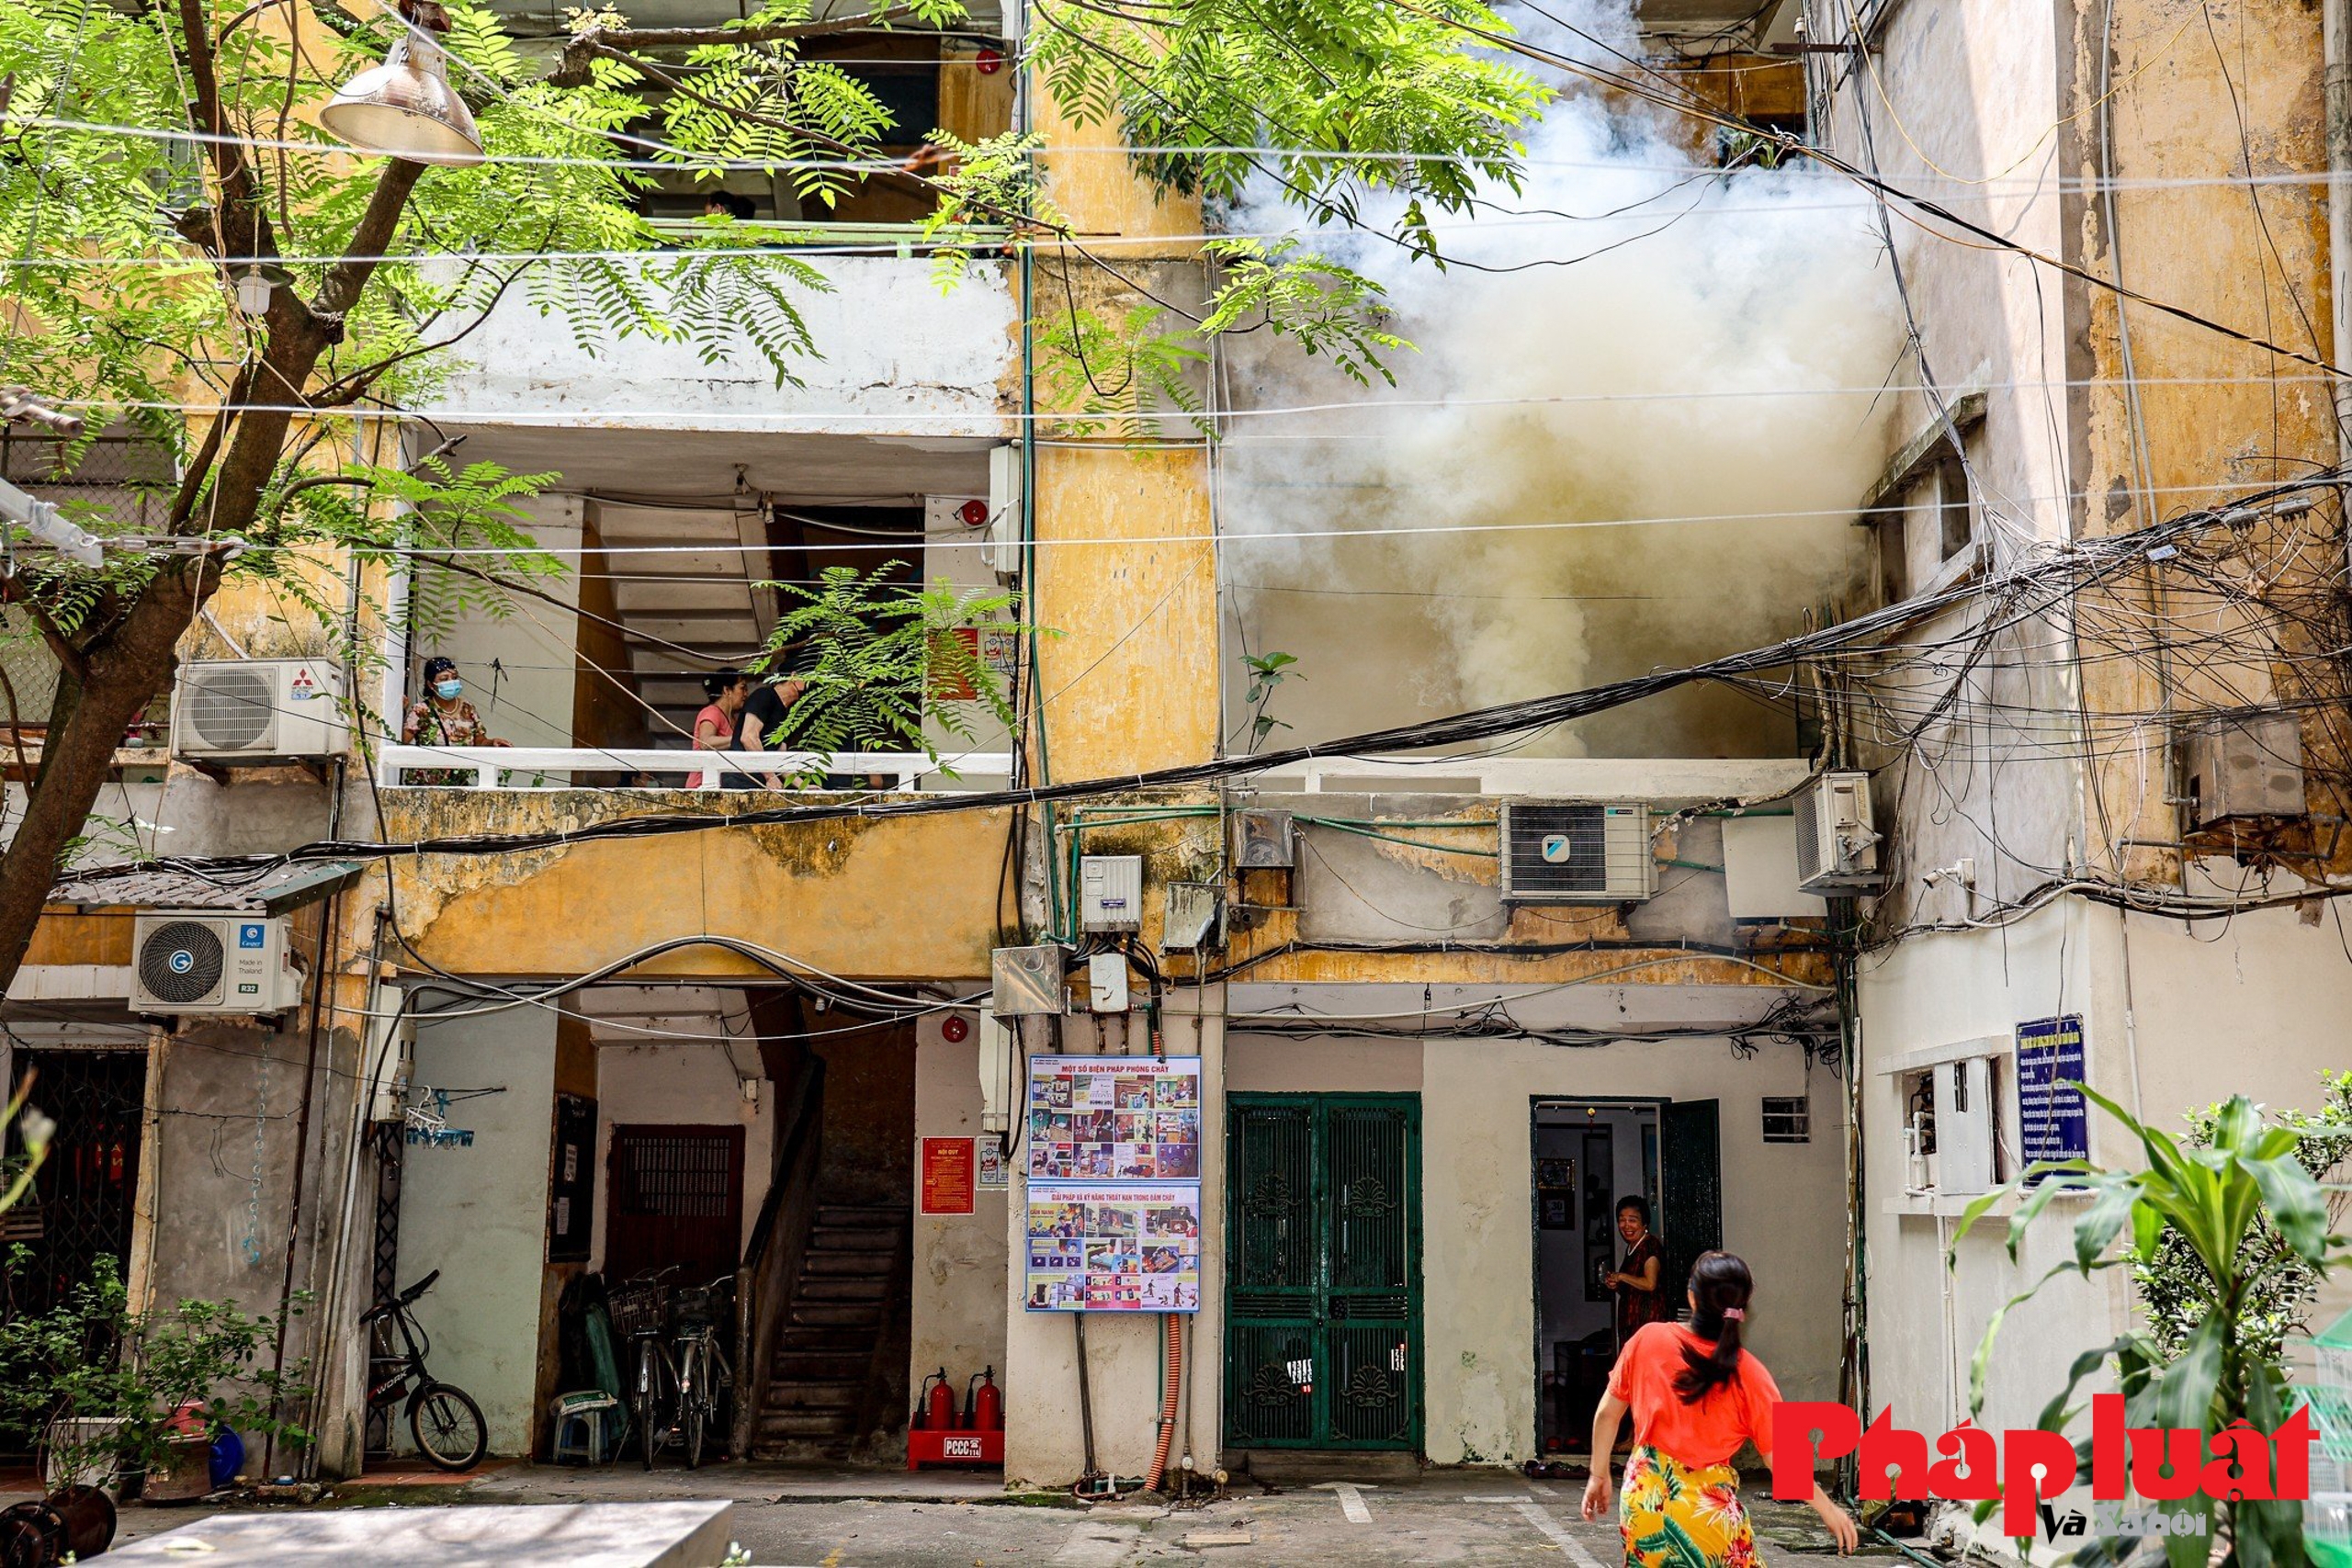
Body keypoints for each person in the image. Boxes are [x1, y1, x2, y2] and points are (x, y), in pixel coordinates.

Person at [1582, 1251, 1857, 1565]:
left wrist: (1598, 1474)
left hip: (1643, 1500)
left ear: (1691, 1297)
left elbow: (1607, 1415)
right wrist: (1829, 1510)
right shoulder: (1750, 1374)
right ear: (1743, 1308)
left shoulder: (1647, 1340)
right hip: (1706, 1513)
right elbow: (1783, 1461)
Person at [399, 656, 507, 784]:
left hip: (459, 783)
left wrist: (492, 743)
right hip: (426, 784)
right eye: (444, 679)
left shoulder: (468, 708)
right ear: (430, 684)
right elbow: (403, 741)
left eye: (454, 678)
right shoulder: (421, 711)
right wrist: (402, 712)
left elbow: (479, 740)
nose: (451, 682)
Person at [729, 663, 809, 790]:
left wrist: (804, 786)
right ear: (794, 676)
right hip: (742, 780)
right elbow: (748, 737)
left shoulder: (789, 714)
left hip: (763, 784)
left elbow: (780, 757)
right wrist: (770, 776)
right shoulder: (764, 696)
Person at [1605, 1196, 1670, 1346]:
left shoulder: (1650, 1246)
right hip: (1631, 1324)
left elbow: (1650, 1284)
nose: (1626, 1226)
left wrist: (1621, 1276)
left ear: (1644, 1223)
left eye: (1632, 1220)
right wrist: (1616, 1284)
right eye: (1622, 1220)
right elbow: (1632, 1287)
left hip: (1648, 1325)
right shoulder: (1632, 1247)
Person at [689, 670, 752, 789]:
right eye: (742, 688)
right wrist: (740, 739)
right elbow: (706, 743)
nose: (746, 694)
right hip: (703, 785)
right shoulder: (711, 712)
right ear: (727, 690)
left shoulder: (731, 718)